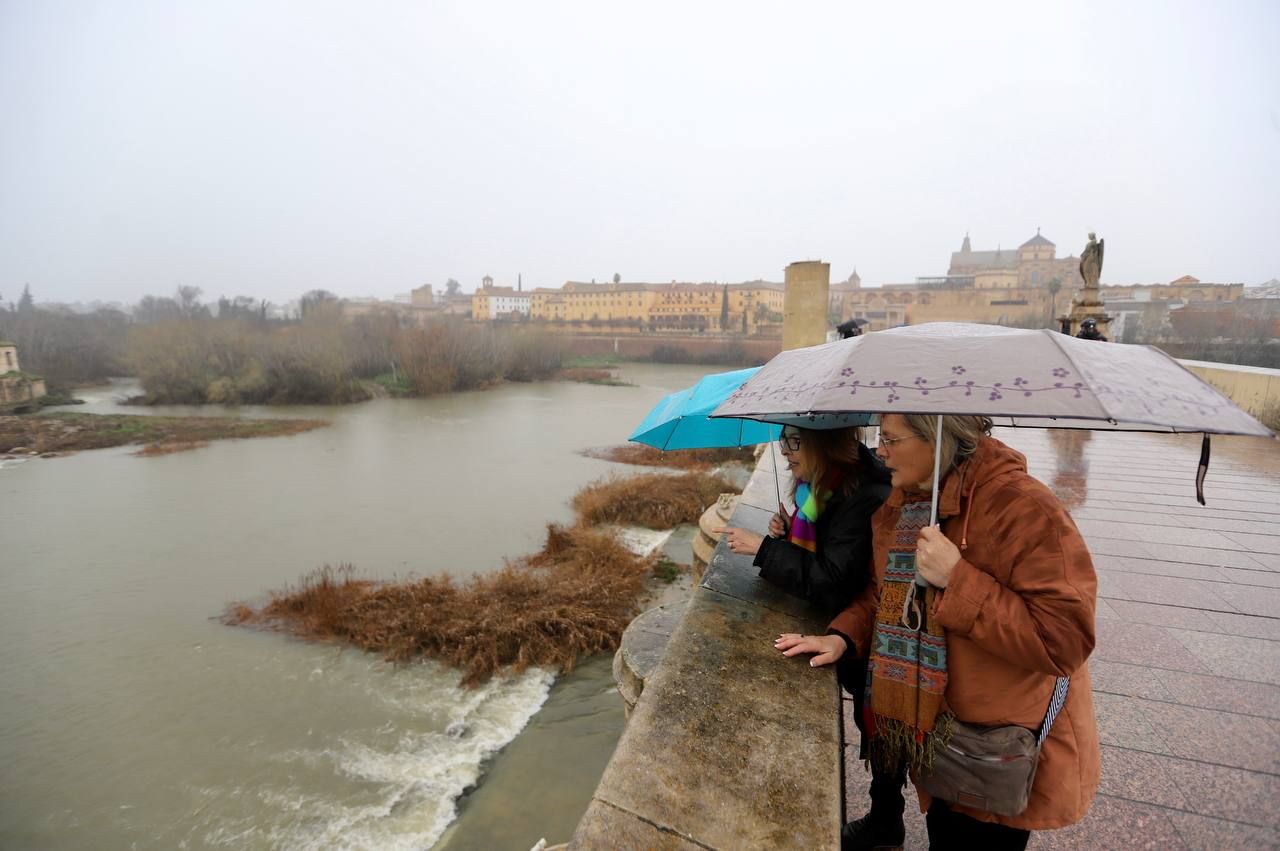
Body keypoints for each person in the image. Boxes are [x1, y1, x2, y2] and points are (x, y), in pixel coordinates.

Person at [776, 414, 1100, 851]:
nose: (879, 451)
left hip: (992, 743)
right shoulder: (908, 502)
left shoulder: (1025, 508)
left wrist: (958, 579)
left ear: (938, 438)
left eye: (890, 439)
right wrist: (843, 636)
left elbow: (1064, 641)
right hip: (935, 731)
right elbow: (883, 592)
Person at [715, 424, 891, 614]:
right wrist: (790, 529)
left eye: (795, 441)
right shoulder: (818, 488)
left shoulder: (864, 498)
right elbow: (830, 542)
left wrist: (763, 549)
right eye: (785, 439)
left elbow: (834, 584)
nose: (784, 450)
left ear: (824, 444)